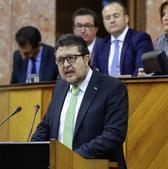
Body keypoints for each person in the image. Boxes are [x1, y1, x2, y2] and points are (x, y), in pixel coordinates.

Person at [31, 34, 128, 169]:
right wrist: (32, 152)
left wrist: (72, 158)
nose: (65, 65)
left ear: (86, 59)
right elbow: (46, 127)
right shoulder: (60, 87)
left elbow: (113, 134)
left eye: (71, 58)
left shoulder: (112, 87)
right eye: (60, 60)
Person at [93, 1, 153, 77]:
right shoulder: (101, 45)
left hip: (132, 87)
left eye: (116, 16)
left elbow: (140, 71)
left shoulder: (140, 39)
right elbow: (95, 73)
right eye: (107, 18)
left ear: (126, 19)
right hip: (106, 88)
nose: (112, 21)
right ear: (104, 23)